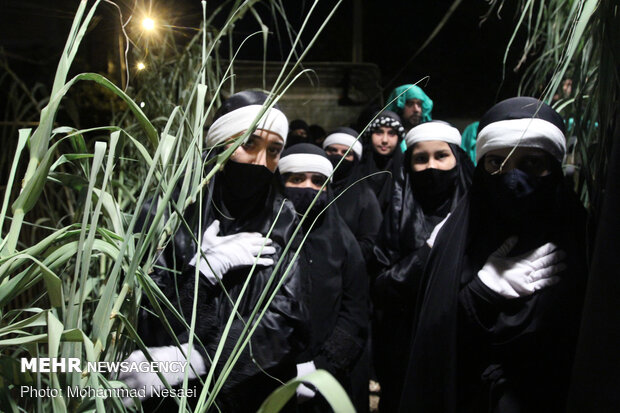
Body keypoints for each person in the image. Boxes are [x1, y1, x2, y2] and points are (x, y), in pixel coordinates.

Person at [122, 91, 309, 412]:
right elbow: (145, 312)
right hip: (175, 394)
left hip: (250, 390)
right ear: (218, 144)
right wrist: (202, 274)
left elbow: (282, 319)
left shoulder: (283, 218)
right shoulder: (167, 212)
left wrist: (196, 359)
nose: (261, 161)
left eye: (274, 150)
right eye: (249, 144)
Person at [399, 97, 588, 413]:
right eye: (496, 163)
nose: (512, 179)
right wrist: (479, 294)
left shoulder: (582, 237)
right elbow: (433, 344)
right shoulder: (457, 237)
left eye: (531, 163)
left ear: (554, 166)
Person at [371, 121, 473, 412]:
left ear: (458, 159)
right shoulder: (397, 215)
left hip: (460, 345)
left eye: (441, 156)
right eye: (421, 158)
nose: (431, 166)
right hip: (406, 346)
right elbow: (381, 285)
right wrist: (428, 253)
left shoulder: (478, 214)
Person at [278, 143, 369, 412]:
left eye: (318, 181)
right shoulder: (262, 237)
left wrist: (322, 367)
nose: (308, 188)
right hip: (268, 375)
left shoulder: (343, 242)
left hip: (328, 378)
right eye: (296, 179)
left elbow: (355, 309)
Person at [322, 127, 382, 260]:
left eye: (346, 153)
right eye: (333, 151)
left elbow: (371, 241)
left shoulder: (364, 195)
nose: (339, 156)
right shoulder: (315, 188)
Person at [358, 110, 406, 213]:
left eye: (391, 133)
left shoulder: (405, 172)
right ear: (370, 135)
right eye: (379, 132)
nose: (385, 140)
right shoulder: (357, 170)